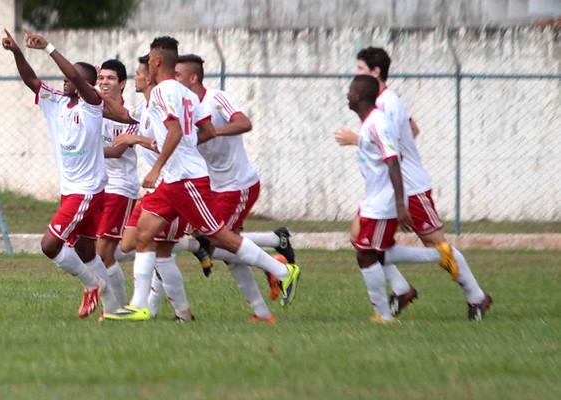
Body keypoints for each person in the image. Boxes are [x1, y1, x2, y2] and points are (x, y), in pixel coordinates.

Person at [105, 36, 300, 321]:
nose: (146, 64)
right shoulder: (186, 93)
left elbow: (174, 131)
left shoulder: (163, 91)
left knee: (218, 236)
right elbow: (205, 131)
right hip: (173, 179)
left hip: (185, 179)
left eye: (148, 58)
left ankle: (283, 270)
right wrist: (180, 151)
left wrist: (158, 166)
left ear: (157, 61)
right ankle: (140, 305)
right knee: (144, 235)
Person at [335, 47, 492, 321]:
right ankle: (401, 289)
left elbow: (393, 147)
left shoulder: (387, 104)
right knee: (360, 240)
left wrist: (357, 140)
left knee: (437, 247)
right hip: (387, 188)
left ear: (375, 73)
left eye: (359, 69)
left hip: (409, 187)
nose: (354, 74)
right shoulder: (384, 102)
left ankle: (477, 296)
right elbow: (413, 130)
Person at [1, 29, 120, 318]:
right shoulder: (54, 101)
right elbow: (31, 80)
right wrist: (18, 51)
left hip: (87, 191)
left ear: (87, 85)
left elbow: (78, 78)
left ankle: (92, 285)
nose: (65, 79)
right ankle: (116, 311)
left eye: (71, 77)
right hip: (73, 190)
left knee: (49, 245)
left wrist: (49, 48)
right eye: (65, 76)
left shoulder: (92, 105)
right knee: (86, 251)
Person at [174, 53, 282, 322]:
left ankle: (273, 261)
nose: (174, 79)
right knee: (230, 251)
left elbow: (244, 122)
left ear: (193, 78)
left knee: (212, 242)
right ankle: (262, 309)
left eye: (178, 75)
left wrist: (212, 132)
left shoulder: (215, 98)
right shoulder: (183, 106)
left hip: (237, 185)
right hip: (213, 187)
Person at [104, 54, 197, 321]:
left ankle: (143, 305)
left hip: (173, 183)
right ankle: (176, 311)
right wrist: (86, 89)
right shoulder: (143, 108)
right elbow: (119, 113)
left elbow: (165, 139)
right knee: (136, 244)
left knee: (215, 239)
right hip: (159, 188)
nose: (135, 76)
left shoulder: (160, 102)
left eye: (137, 73)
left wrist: (136, 138)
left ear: (148, 77)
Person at [93, 59, 139, 309]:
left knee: (102, 253)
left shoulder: (130, 113)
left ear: (122, 83)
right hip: (98, 186)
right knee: (98, 251)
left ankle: (117, 308)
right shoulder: (92, 108)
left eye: (110, 78)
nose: (104, 82)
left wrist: (85, 150)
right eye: (101, 78)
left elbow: (118, 151)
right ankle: (149, 252)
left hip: (121, 186)